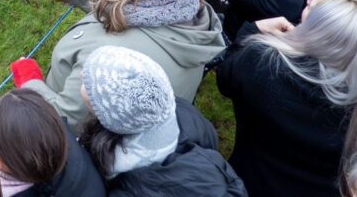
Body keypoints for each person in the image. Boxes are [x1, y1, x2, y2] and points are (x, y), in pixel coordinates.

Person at [20, 0, 225, 127]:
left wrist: (30, 85)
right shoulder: (182, 7)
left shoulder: (107, 60)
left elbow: (69, 120)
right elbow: (119, 2)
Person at [218, 0, 357, 197]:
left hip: (249, 185)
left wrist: (253, 30)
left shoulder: (261, 64)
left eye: (312, 6)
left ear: (319, 33)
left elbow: (225, 77)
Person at [78, 46, 247, 195]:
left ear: (110, 116)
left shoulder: (122, 177)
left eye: (88, 84)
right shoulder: (185, 114)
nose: (81, 75)